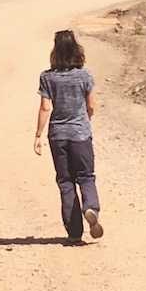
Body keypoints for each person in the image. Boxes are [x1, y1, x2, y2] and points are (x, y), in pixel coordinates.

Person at [34, 29, 103, 245]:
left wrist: (38, 135)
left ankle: (74, 232)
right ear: (76, 49)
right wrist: (86, 118)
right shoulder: (84, 75)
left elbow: (45, 107)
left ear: (55, 50)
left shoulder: (47, 77)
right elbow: (92, 105)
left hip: (58, 136)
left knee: (65, 182)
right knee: (86, 176)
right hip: (80, 134)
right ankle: (90, 207)